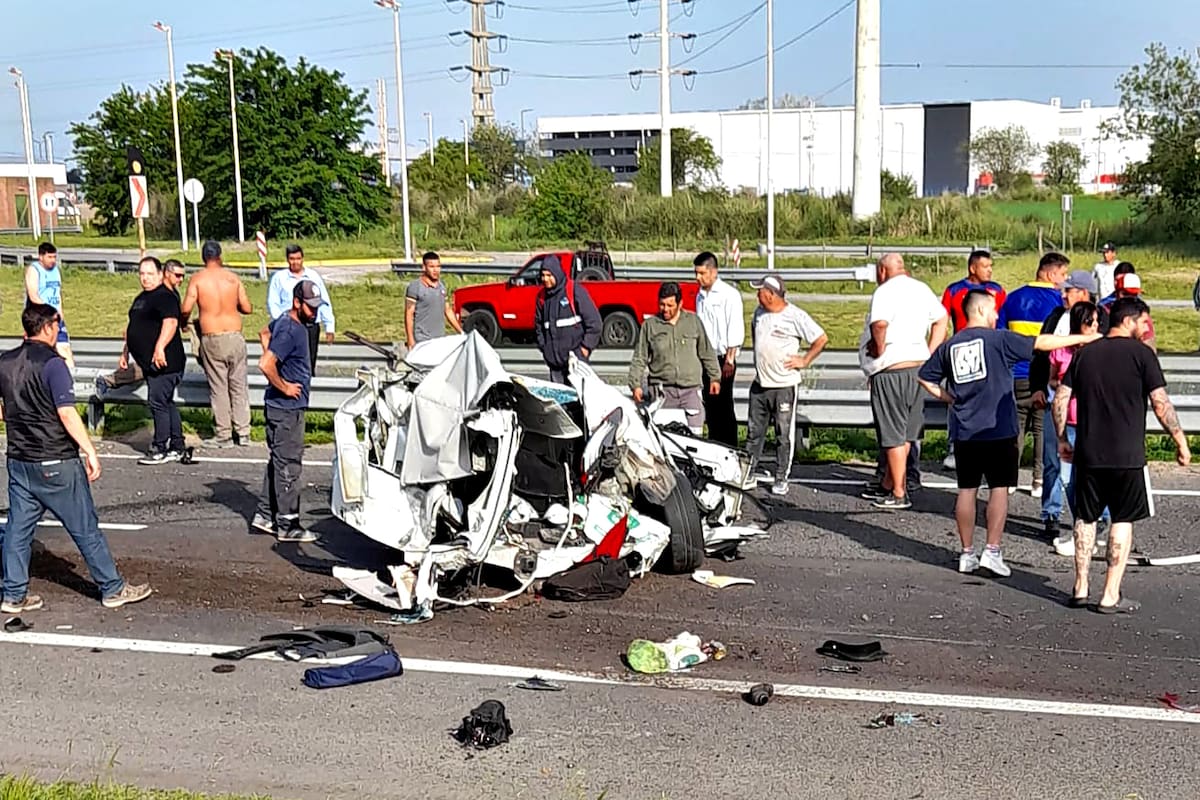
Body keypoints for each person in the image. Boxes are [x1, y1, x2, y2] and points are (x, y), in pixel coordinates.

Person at [918, 290, 1098, 578]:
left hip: (965, 429)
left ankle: (966, 553)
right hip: (999, 427)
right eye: (993, 311)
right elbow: (1043, 343)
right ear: (984, 310)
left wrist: (950, 397)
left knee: (966, 490)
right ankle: (992, 550)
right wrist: (1083, 338)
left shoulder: (951, 345)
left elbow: (924, 377)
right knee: (999, 489)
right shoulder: (1000, 339)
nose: (996, 316)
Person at [0, 303, 152, 612]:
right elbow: (67, 413)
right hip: (55, 459)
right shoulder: (54, 365)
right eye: (56, 325)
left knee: (18, 529)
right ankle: (112, 587)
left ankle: (13, 593)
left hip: (19, 458)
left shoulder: (4, 362)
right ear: (47, 327)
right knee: (84, 526)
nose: (58, 330)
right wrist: (90, 450)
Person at [1053, 296, 1190, 614]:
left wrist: (1062, 438)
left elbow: (1061, 397)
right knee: (1123, 518)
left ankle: (1080, 586)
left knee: (1084, 517)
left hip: (1088, 452)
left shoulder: (1086, 353)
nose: (1146, 328)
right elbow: (1160, 404)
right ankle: (1110, 594)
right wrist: (1180, 442)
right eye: (1144, 321)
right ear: (1129, 320)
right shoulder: (1142, 355)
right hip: (1127, 455)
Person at [859, 253, 949, 510]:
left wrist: (878, 350)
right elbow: (942, 319)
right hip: (918, 368)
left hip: (892, 369)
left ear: (883, 271)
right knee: (907, 431)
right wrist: (929, 352)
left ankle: (898, 491)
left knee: (892, 433)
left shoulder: (885, 291)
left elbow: (879, 324)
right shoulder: (921, 288)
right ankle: (889, 482)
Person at [1028, 269, 1108, 531]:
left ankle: (1101, 516)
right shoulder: (1054, 317)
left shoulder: (1101, 319)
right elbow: (1041, 356)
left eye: (1069, 290)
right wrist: (1038, 387)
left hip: (1092, 411)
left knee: (1093, 466)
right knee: (1053, 460)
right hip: (1058, 405)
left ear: (1084, 293)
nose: (1063, 294)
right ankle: (1050, 513)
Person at [250, 280, 323, 543]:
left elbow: (263, 334)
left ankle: (266, 514)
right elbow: (265, 363)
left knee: (278, 461)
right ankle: (288, 524)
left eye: (317, 307)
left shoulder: (284, 322)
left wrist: (279, 370)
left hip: (279, 408)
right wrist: (283, 385)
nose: (314, 312)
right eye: (310, 307)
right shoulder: (292, 330)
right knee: (289, 465)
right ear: (297, 303)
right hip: (286, 408)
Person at [996, 251, 1071, 498]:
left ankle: (1009, 478)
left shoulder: (1012, 298)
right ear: (1050, 274)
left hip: (1015, 372)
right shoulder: (1058, 303)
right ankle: (1038, 479)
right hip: (1042, 373)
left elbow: (1000, 334)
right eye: (1062, 274)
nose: (1065, 279)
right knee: (1040, 427)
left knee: (1015, 426)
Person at [746, 276, 828, 496]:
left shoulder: (795, 315)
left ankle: (781, 476)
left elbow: (820, 338)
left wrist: (805, 360)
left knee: (783, 434)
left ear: (771, 294)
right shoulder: (758, 314)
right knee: (754, 432)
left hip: (783, 385)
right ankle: (749, 472)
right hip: (760, 384)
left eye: (760, 291)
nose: (756, 295)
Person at [1047, 302, 1110, 557]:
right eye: (1088, 322)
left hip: (1096, 423)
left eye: (1096, 322)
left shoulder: (1103, 352)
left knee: (1099, 477)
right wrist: (1063, 384)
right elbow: (1051, 378)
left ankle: (1103, 522)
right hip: (1069, 422)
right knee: (1069, 480)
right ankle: (1081, 525)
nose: (1093, 327)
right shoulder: (1061, 351)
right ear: (1077, 324)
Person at [939, 249, 1007, 470]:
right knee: (958, 399)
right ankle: (954, 446)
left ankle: (988, 446)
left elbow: (1002, 320)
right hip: (962, 352)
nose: (989, 270)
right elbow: (941, 320)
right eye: (985, 266)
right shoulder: (954, 290)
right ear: (972, 268)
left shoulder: (996, 290)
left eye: (991, 266)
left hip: (989, 351)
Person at [181, 240, 253, 448]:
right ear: (220, 256)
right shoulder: (233, 278)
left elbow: (186, 308)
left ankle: (224, 434)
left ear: (203, 258)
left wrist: (185, 321)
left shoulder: (198, 280)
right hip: (235, 335)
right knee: (239, 385)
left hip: (212, 337)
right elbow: (247, 308)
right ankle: (244, 432)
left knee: (219, 387)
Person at [628, 282, 720, 436]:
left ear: (680, 303)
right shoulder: (649, 326)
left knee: (694, 436)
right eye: (662, 305)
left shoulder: (693, 322)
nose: (665, 309)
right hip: (662, 392)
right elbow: (640, 357)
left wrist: (714, 377)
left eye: (670, 305)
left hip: (690, 390)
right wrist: (635, 384)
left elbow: (706, 351)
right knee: (664, 438)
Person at [122, 257, 186, 465]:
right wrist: (125, 352)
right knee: (166, 402)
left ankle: (160, 447)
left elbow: (171, 322)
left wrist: (159, 348)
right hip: (149, 362)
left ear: (160, 274)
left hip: (166, 361)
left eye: (150, 274)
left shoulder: (164, 297)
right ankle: (177, 445)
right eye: (142, 273)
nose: (145, 278)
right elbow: (133, 327)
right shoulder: (141, 298)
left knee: (157, 402)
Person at [693, 251, 745, 448]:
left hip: (723, 358)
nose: (698, 278)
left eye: (702, 273)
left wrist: (730, 359)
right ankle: (714, 446)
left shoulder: (728, 295)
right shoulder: (700, 296)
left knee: (723, 407)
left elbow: (734, 327)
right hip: (706, 358)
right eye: (696, 273)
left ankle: (729, 447)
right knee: (711, 408)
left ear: (713, 272)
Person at [534, 253, 601, 384]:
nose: (545, 279)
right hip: (555, 366)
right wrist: (545, 349)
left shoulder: (574, 290)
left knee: (578, 401)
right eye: (543, 275)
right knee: (560, 402)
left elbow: (594, 323)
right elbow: (538, 327)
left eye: (549, 275)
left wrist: (585, 349)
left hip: (576, 363)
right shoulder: (541, 298)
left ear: (556, 273)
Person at [268, 244, 335, 371]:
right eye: (292, 259)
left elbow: (324, 302)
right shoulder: (279, 278)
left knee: (309, 363)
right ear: (287, 260)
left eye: (298, 258)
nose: (295, 262)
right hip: (288, 327)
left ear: (303, 258)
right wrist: (280, 324)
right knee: (287, 363)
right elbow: (273, 303)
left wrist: (329, 326)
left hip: (309, 327)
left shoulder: (313, 276)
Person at [25, 242, 73, 370]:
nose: (53, 260)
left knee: (64, 348)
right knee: (39, 350)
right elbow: (33, 295)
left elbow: (57, 293)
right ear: (41, 256)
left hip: (55, 317)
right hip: (40, 318)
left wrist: (60, 312)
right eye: (49, 257)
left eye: (54, 257)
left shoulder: (55, 271)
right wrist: (48, 312)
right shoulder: (34, 270)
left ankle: (71, 377)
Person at [405, 251, 462, 349]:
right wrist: (410, 339)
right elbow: (409, 314)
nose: (436, 270)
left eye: (438, 266)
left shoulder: (442, 286)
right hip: (422, 340)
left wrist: (461, 332)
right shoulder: (415, 287)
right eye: (432, 267)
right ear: (424, 267)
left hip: (439, 340)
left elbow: (448, 311)